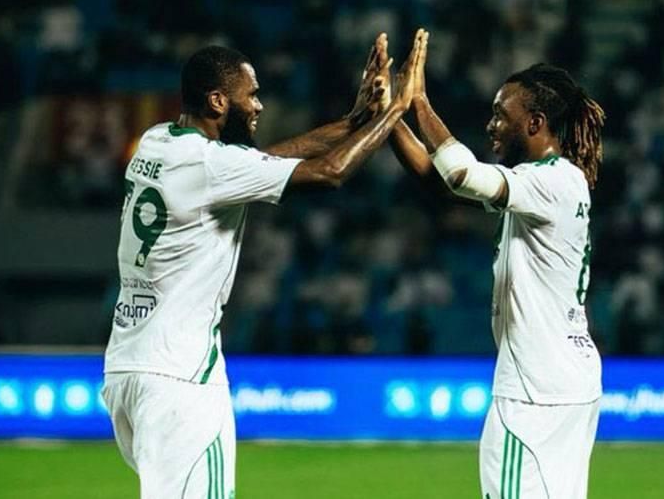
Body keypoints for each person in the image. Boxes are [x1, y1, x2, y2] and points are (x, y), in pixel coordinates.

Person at [101, 30, 427, 499]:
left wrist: (355, 120)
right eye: (250, 94)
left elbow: (259, 162)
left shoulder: (157, 142)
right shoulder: (211, 165)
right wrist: (395, 110)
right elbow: (330, 172)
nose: (259, 105)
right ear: (218, 101)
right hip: (181, 378)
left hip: (126, 370)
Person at [367, 33, 606, 499]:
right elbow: (440, 179)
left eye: (501, 114)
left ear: (535, 123)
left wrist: (418, 102)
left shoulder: (548, 183)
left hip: (533, 391)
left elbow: (460, 173)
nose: (491, 124)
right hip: (566, 382)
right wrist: (389, 114)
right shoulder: (550, 183)